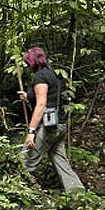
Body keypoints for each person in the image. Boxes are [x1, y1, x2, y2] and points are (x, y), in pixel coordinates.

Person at [16, 47, 85, 191]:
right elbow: (49, 97)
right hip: (59, 125)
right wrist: (28, 96)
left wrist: (31, 132)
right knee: (62, 163)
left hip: (49, 128)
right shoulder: (51, 75)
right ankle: (78, 195)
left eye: (28, 63)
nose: (28, 66)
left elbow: (42, 104)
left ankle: (14, 193)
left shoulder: (40, 77)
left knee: (24, 162)